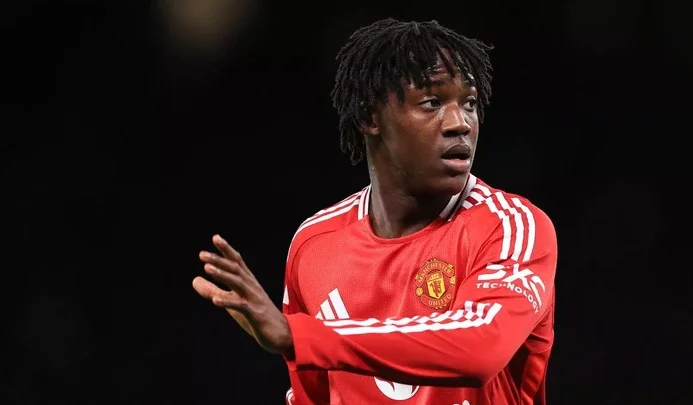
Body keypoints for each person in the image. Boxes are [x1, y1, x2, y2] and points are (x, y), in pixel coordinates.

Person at [193, 18, 557, 405]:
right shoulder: (315, 244)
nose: (460, 124)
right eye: (432, 102)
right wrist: (299, 339)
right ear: (370, 117)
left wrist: (301, 336)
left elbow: (481, 347)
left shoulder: (511, 226)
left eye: (468, 104)